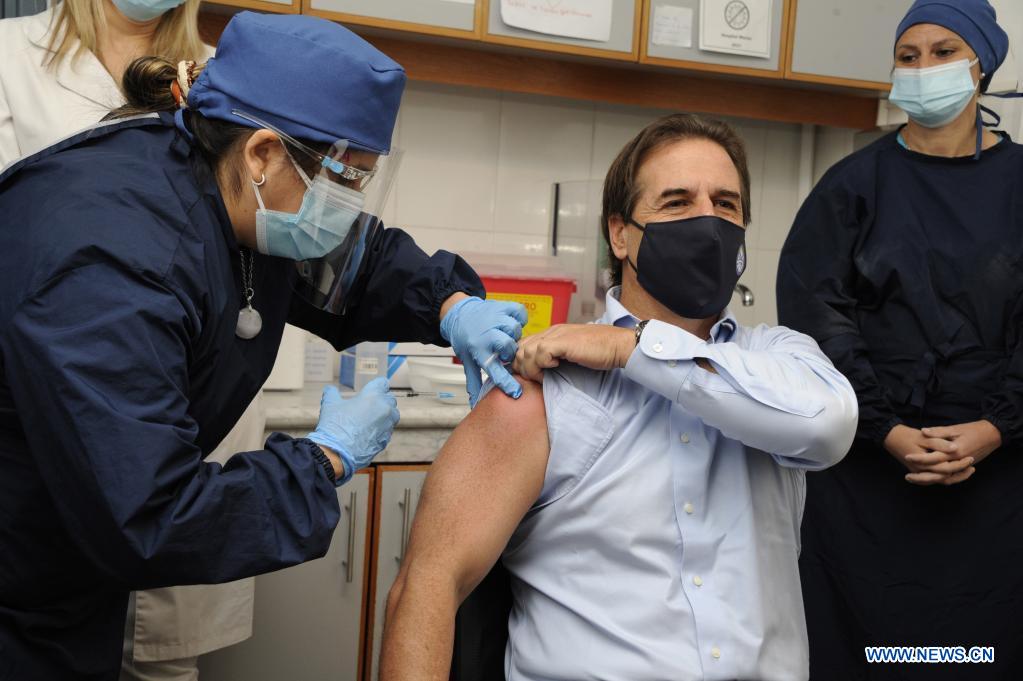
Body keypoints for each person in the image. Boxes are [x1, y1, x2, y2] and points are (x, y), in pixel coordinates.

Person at [0, 12, 526, 681]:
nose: (348, 204)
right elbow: (148, 516)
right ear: (262, 153)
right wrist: (324, 459)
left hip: (73, 565)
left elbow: (353, 261)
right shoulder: (114, 263)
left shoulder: (226, 187)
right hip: (20, 586)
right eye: (345, 180)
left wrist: (450, 305)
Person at [380, 114, 858, 681]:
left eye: (726, 205)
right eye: (677, 202)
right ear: (620, 234)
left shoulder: (780, 359)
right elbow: (426, 588)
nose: (708, 221)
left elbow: (828, 426)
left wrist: (631, 347)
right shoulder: (545, 391)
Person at [0, 3, 266, 678]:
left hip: (188, 430)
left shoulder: (226, 71)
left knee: (165, 661)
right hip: (52, 445)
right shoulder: (8, 56)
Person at [777, 0, 1023, 677]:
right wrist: (884, 430)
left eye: (943, 52)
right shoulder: (853, 186)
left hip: (997, 482)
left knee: (975, 653)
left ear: (981, 66)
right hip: (870, 477)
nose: (922, 68)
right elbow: (814, 316)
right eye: (907, 56)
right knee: (866, 651)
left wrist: (996, 427)